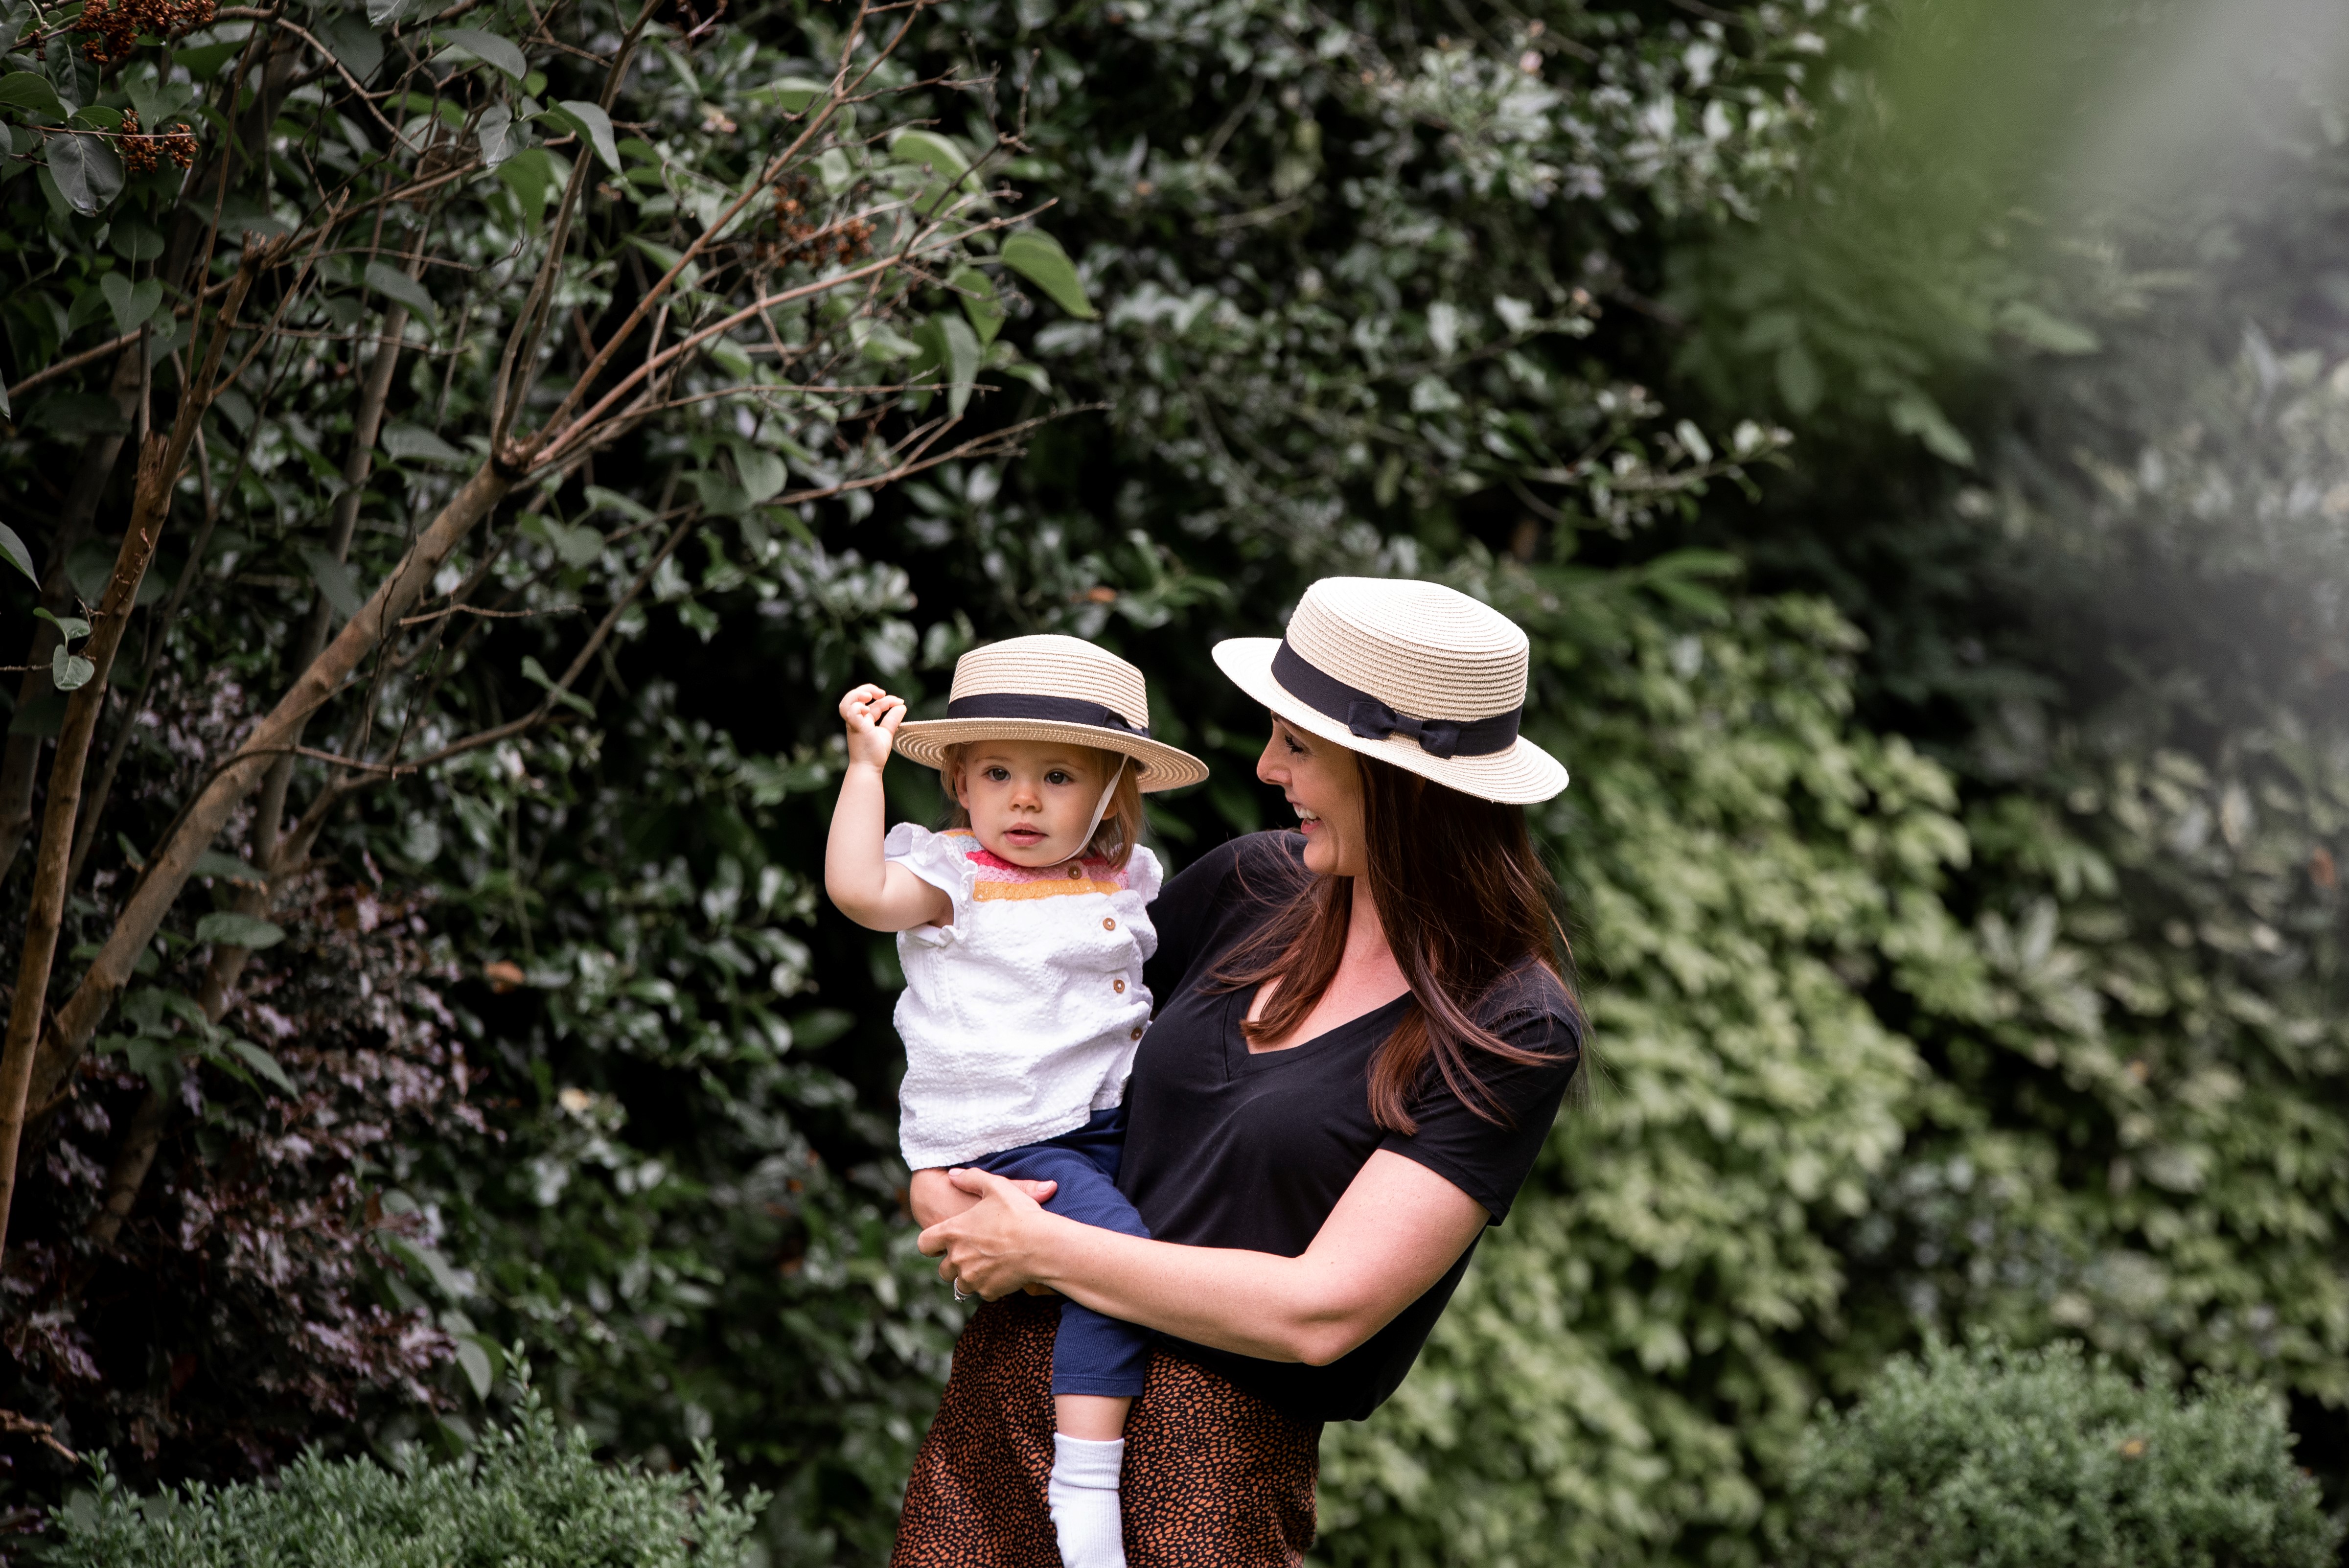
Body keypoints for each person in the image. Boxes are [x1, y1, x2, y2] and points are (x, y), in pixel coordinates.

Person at [895, 576, 1585, 1568]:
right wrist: (942, 1177)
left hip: (1208, 1471)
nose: (1267, 769)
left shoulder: (1509, 1023)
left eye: (1297, 746)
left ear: (1396, 776)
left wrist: (1043, 1248)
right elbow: (1015, 1037)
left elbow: (1321, 1312)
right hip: (1007, 1407)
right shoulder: (1252, 884)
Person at [826, 633, 1209, 1568]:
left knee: (1153, 1254)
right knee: (1116, 1266)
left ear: (1114, 791)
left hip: (1103, 1122)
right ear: (959, 781)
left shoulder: (1123, 876)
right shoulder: (954, 880)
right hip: (1011, 1137)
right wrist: (864, 771)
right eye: (998, 772)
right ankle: (1083, 1490)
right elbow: (856, 888)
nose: (1025, 799)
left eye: (1058, 778)